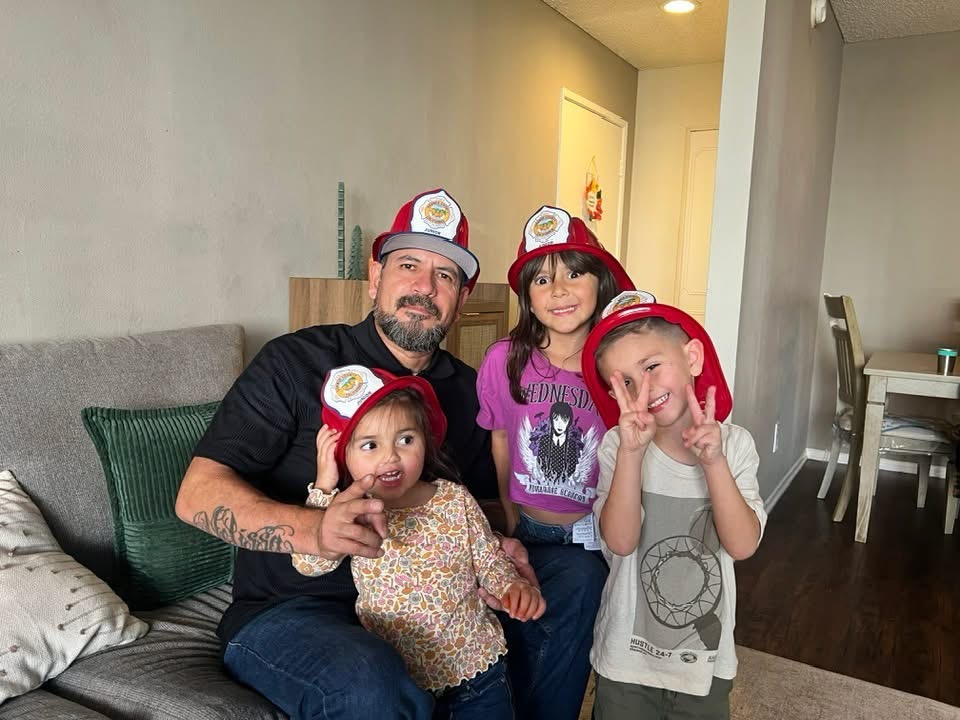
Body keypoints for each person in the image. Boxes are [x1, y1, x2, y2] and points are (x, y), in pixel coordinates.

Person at [174, 188, 601, 720]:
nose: (424, 287)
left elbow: (477, 506)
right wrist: (315, 530)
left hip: (433, 602)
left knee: (577, 575)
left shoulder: (469, 390)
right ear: (375, 277)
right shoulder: (294, 362)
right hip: (297, 610)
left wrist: (494, 543)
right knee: (368, 679)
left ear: (461, 300)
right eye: (408, 265)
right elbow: (196, 496)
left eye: (445, 275)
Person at [290, 365, 544, 719]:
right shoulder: (351, 514)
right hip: (402, 683)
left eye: (406, 440)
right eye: (370, 445)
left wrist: (512, 587)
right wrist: (323, 487)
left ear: (426, 441)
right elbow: (309, 564)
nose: (391, 456)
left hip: (477, 671)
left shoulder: (453, 498)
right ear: (342, 456)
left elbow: (488, 558)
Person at [475, 205, 639, 718]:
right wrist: (507, 513)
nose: (559, 290)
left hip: (595, 533)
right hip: (527, 526)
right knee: (520, 628)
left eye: (573, 274)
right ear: (527, 296)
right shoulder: (504, 359)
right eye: (542, 280)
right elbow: (501, 439)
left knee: (577, 636)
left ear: (600, 281)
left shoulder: (616, 366)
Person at [580, 291, 768, 720]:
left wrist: (714, 463)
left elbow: (742, 546)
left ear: (693, 358)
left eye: (651, 367)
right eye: (626, 382)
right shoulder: (617, 446)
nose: (643, 389)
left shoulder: (735, 445)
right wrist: (631, 454)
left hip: (705, 663)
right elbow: (620, 542)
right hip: (626, 662)